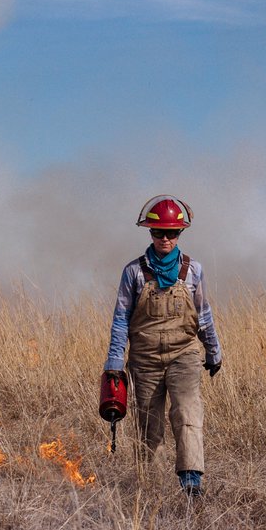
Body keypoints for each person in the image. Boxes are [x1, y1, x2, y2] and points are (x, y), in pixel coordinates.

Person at [103, 195, 223, 497]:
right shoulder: (133, 272)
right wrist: (115, 362)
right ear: (150, 233)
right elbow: (120, 319)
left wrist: (213, 351)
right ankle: (148, 488)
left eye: (172, 233)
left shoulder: (193, 270)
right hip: (144, 360)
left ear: (180, 234)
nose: (165, 238)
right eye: (159, 232)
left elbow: (204, 313)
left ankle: (191, 482)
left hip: (184, 354)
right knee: (148, 422)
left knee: (187, 412)